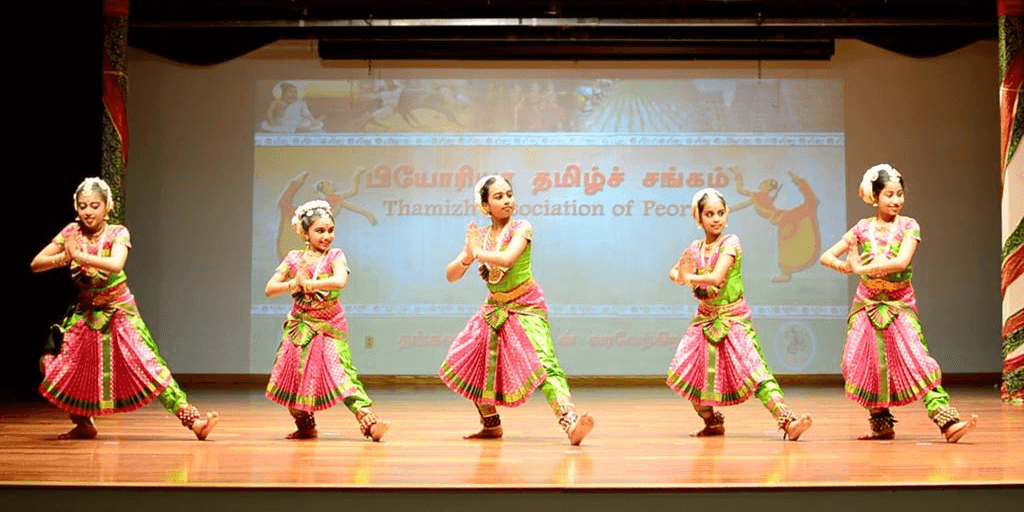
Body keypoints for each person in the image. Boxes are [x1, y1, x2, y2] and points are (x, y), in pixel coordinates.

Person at [31, 177, 218, 440]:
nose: (88, 211)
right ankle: (83, 423)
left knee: (149, 366)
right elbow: (36, 263)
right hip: (85, 314)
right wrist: (64, 256)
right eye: (83, 205)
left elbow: (116, 264)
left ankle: (194, 421)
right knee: (63, 367)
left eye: (94, 205)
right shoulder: (70, 234)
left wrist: (79, 256)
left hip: (119, 312)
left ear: (108, 206)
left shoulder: (118, 233)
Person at [819, 164, 977, 442]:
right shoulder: (862, 228)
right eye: (889, 194)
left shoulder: (909, 226)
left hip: (898, 304)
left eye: (900, 194)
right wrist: (846, 266)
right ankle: (881, 424)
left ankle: (947, 421)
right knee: (863, 362)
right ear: (875, 196)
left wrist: (863, 269)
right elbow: (826, 256)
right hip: (867, 305)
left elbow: (902, 262)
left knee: (917, 360)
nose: (896, 200)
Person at [440, 175, 594, 445]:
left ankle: (570, 422)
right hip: (495, 307)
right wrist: (468, 255)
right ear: (485, 206)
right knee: (471, 360)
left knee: (545, 363)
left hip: (526, 306)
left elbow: (509, 258)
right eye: (498, 197)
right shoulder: (482, 237)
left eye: (509, 194)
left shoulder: (522, 227)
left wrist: (478, 254)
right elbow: (451, 275)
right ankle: (490, 425)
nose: (507, 200)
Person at [667, 188, 812, 440]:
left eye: (720, 213)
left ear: (727, 215)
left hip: (733, 319)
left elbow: (716, 277)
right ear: (697, 218)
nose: (716, 218)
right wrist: (680, 276)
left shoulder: (730, 242)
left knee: (756, 372)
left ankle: (788, 421)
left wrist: (686, 278)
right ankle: (712, 423)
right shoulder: (695, 248)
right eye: (709, 213)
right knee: (689, 376)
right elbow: (674, 272)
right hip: (705, 320)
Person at [264, 200, 388, 441]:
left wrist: (313, 284)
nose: (327, 236)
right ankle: (305, 426)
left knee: (342, 373)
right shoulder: (293, 259)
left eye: (330, 230)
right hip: (300, 327)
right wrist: (294, 284)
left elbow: (340, 281)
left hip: (329, 327)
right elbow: (270, 288)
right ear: (305, 233)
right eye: (320, 231)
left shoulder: (335, 256)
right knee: (295, 378)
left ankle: (368, 423)